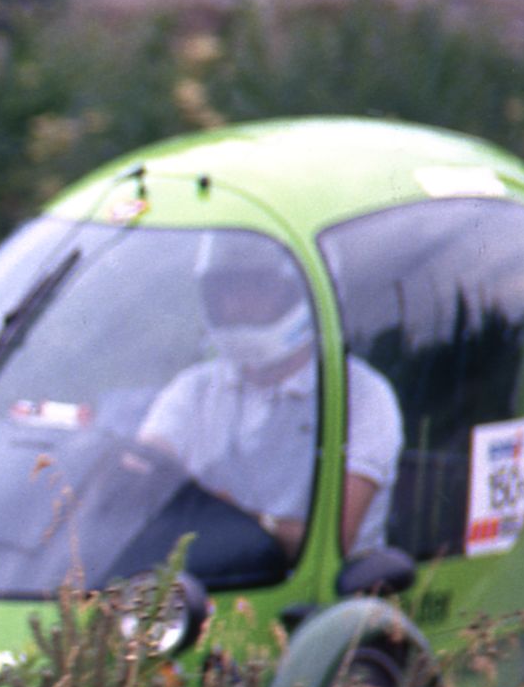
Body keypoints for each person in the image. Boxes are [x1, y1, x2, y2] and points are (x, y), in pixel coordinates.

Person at [138, 232, 402, 558]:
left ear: (300, 293)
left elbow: (335, 543)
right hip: (216, 582)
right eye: (223, 290)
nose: (234, 305)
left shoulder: (362, 395)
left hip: (325, 599)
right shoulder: (195, 388)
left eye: (257, 288)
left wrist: (240, 520)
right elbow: (146, 466)